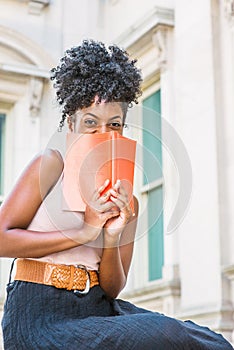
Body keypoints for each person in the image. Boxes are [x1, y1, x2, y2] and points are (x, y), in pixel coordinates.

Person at [0, 39, 233, 350]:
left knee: (208, 341)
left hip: (97, 309)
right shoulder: (50, 164)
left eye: (114, 124)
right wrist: (85, 232)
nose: (104, 133)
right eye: (90, 123)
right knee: (166, 333)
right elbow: (3, 238)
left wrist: (111, 235)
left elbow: (112, 288)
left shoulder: (126, 200)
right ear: (71, 122)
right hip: (39, 314)